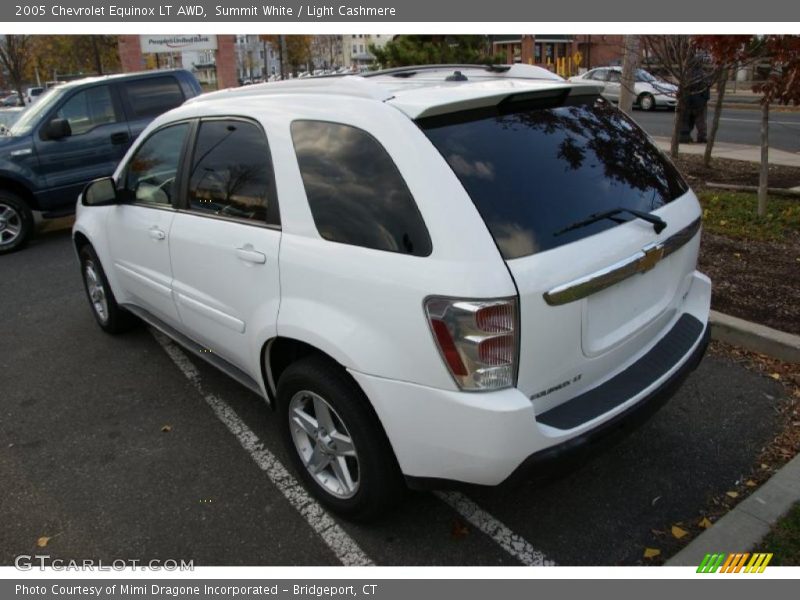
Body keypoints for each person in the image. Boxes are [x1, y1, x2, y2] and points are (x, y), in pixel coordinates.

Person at [680, 59, 711, 144]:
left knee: (686, 120)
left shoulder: (686, 75)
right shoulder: (704, 75)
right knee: (701, 120)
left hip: (687, 101)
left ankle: (685, 136)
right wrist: (705, 99)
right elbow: (706, 89)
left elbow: (682, 89)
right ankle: (702, 137)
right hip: (700, 102)